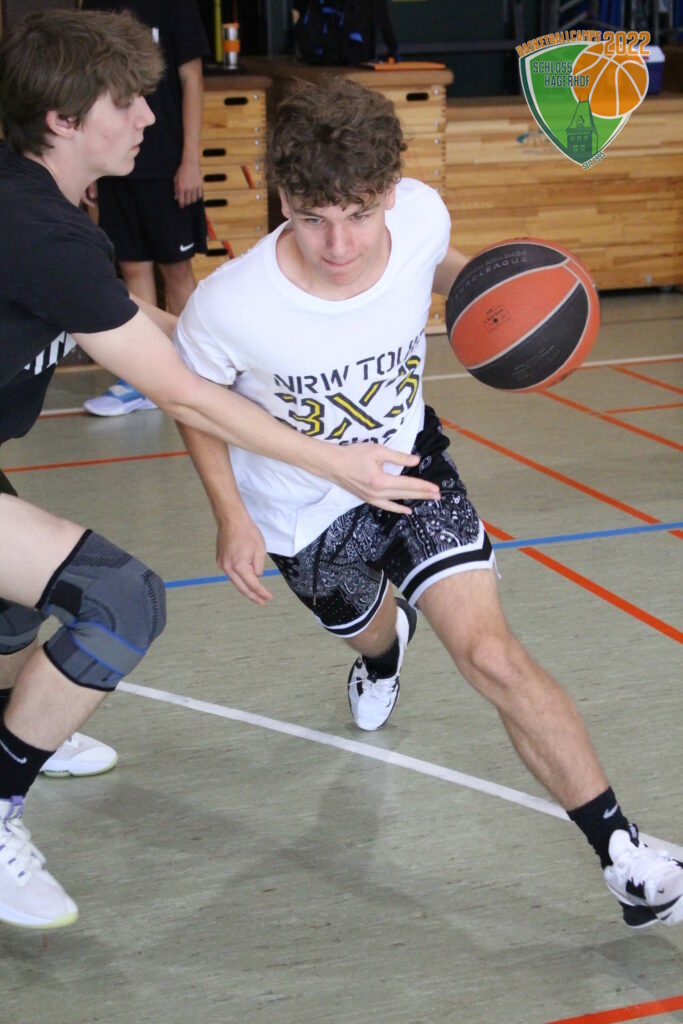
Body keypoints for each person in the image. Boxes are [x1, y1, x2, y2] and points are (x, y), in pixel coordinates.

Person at [174, 77, 683, 930]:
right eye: (312, 218)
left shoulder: (420, 214)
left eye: (360, 214)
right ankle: (382, 656)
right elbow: (194, 405)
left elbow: (439, 265)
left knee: (491, 655)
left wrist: (502, 295)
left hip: (413, 469)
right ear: (281, 197)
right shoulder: (231, 303)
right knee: (369, 630)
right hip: (301, 511)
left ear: (389, 193)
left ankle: (623, 855)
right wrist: (230, 513)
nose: (339, 244)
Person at [0, 11, 440, 931]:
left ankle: (26, 728)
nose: (149, 118)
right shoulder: (36, 229)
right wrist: (331, 459)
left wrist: (245, 345)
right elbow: (184, 395)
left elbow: (151, 332)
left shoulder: (42, 213)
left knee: (10, 618)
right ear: (64, 121)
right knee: (120, 600)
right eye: (127, 103)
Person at [81, 0, 209, 417]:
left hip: (168, 164)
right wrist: (90, 164)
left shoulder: (176, 7)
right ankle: (144, 379)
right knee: (132, 267)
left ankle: (197, 372)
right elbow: (89, 87)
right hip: (116, 162)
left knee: (177, 270)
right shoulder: (96, 5)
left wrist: (191, 159)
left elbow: (192, 81)